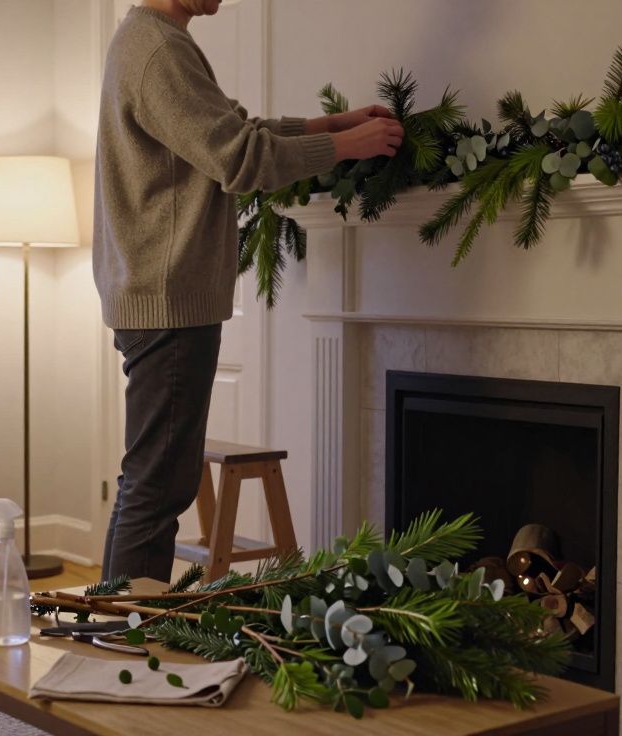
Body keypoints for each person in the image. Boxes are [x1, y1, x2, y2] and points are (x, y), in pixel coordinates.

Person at [94, 0, 403, 582]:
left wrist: (324, 127)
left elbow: (230, 130)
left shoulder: (154, 39)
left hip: (159, 297)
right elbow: (240, 158)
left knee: (150, 484)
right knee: (158, 489)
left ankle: (114, 630)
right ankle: (125, 642)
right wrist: (344, 148)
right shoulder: (157, 49)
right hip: (168, 301)